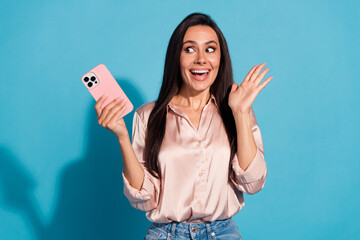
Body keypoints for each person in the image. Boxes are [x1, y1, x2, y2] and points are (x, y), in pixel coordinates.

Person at [95, 12, 273, 240]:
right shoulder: (148, 115)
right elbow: (144, 197)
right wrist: (121, 137)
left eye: (210, 49)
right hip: (166, 235)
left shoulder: (237, 107)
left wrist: (240, 113)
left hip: (223, 234)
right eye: (189, 49)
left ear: (221, 58)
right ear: (176, 57)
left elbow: (253, 183)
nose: (201, 59)